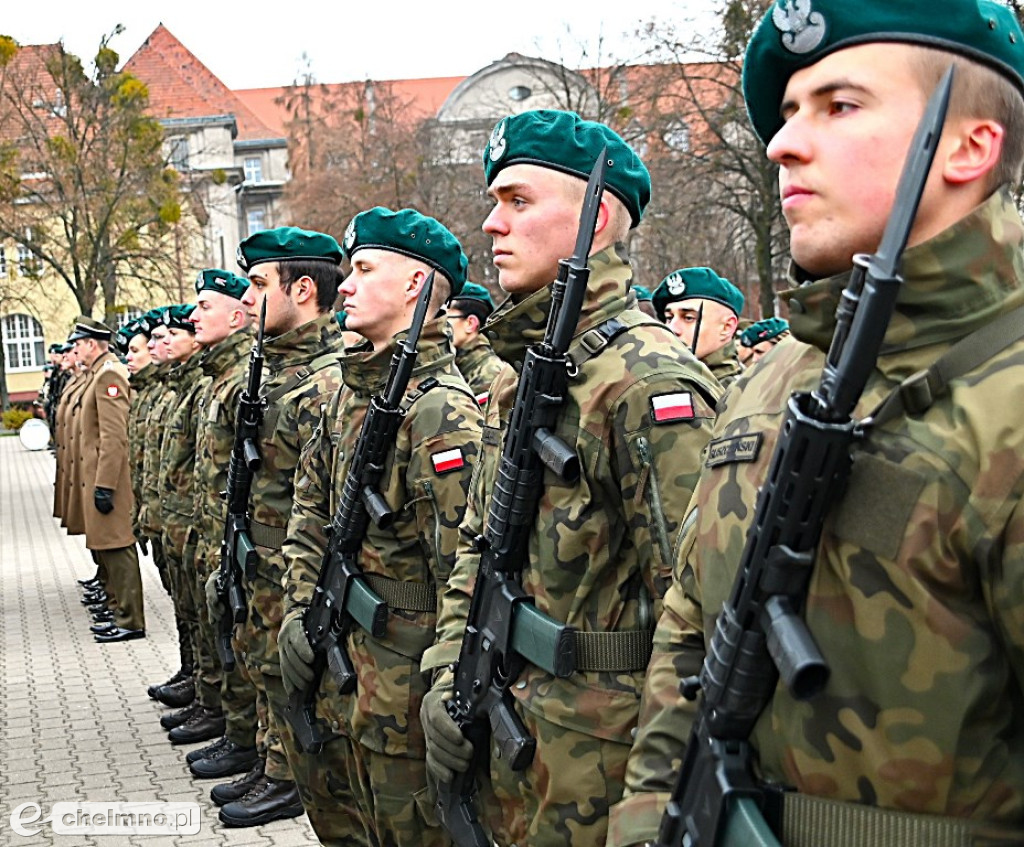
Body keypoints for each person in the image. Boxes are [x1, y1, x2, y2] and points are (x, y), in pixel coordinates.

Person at [608, 2, 1024, 845]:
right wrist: (651, 809)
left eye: (839, 106)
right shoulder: (775, 378)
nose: (783, 143)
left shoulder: (1007, 400)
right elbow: (692, 620)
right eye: (789, 111)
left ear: (970, 146)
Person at [419, 109, 722, 847]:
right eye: (494, 201)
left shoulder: (646, 382)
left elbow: (699, 624)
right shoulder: (534, 372)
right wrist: (444, 670)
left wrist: (659, 802)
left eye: (517, 201)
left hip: (602, 771)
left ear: (598, 219)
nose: (492, 225)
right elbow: (479, 547)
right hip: (521, 738)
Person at [278, 207, 482, 846]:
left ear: (416, 286)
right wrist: (295, 609)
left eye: (365, 270)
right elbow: (308, 516)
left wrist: (446, 689)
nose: (346, 285)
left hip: (403, 699)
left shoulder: (441, 413)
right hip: (340, 675)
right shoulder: (345, 394)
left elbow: (463, 572)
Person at [205, 227, 346, 828]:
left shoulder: (329, 378)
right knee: (261, 662)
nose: (247, 300)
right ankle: (271, 762)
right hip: (259, 553)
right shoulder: (272, 369)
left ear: (304, 289)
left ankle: (288, 775)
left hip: (295, 561)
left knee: (286, 671)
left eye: (259, 285)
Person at [182, 270, 260, 787]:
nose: (192, 318)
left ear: (236, 317)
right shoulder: (221, 380)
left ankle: (255, 749)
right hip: (214, 535)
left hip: (249, 546)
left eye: (204, 307)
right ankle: (233, 729)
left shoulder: (244, 382)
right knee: (223, 636)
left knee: (247, 647)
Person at [66, 317, 145, 643]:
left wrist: (105, 485)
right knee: (108, 546)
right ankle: (118, 610)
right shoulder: (99, 373)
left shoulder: (109, 374)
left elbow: (114, 437)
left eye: (78, 344)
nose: (75, 350)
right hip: (99, 476)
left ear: (92, 344)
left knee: (118, 546)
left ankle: (131, 619)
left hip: (108, 478)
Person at [652, 266, 745, 388]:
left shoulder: (747, 393)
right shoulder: (664, 381)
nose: (672, 329)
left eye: (688, 318)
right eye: (669, 318)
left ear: (726, 327)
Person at [446, 280, 504, 405]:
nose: (439, 326)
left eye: (446, 319)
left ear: (470, 324)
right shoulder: (461, 364)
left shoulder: (490, 374)